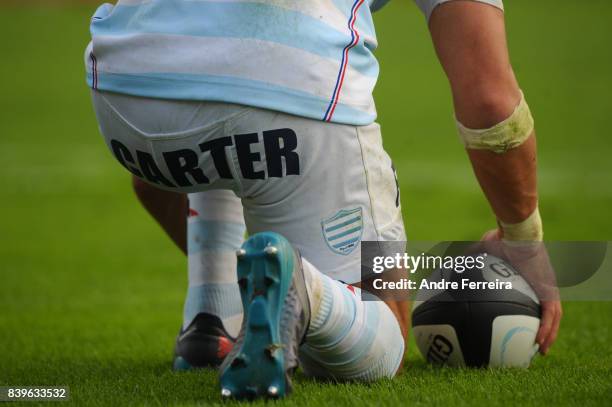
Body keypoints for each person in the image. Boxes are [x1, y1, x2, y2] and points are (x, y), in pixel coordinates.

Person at [86, 0, 561, 399]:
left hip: (124, 94)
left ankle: (210, 321)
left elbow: (153, 186)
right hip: (283, 94)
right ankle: (304, 290)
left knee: (213, 137)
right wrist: (523, 239)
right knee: (385, 324)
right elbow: (491, 105)